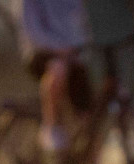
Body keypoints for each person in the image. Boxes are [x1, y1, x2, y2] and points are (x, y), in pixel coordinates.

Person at [20, 0, 91, 155]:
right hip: (40, 52)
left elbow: (80, 23)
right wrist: (59, 48)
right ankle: (49, 128)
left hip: (71, 56)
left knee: (89, 118)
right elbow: (32, 30)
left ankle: (84, 161)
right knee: (57, 69)